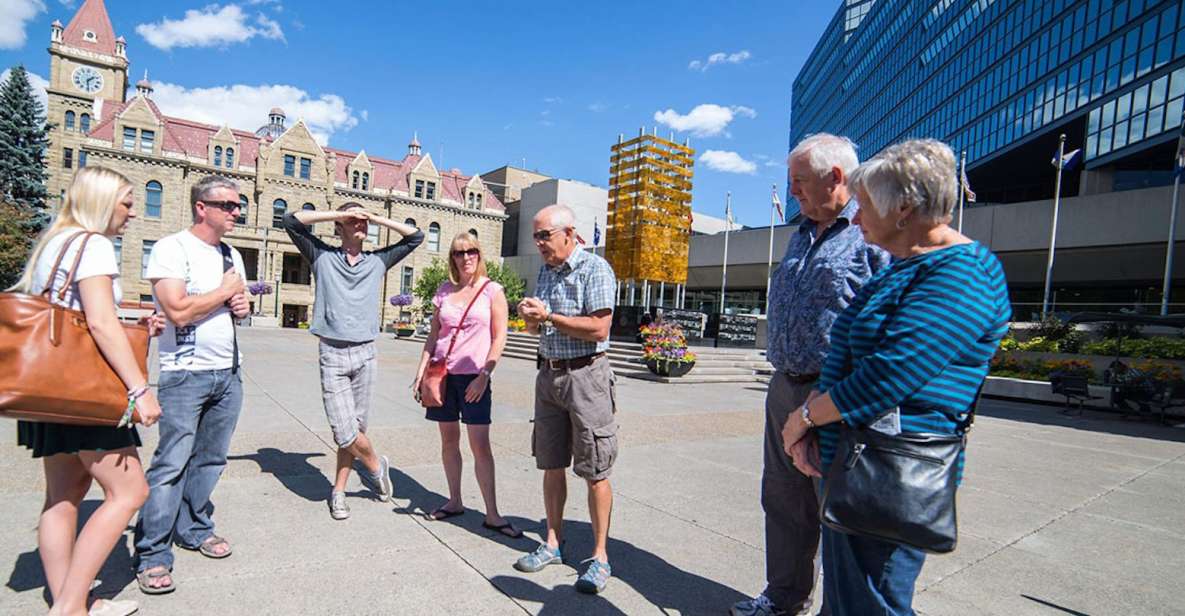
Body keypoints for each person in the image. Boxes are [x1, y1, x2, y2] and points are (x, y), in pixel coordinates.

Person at [780, 139, 1011, 615]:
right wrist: (818, 428)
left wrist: (804, 417)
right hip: (855, 459)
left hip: (892, 468)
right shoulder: (903, 268)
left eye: (866, 205)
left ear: (903, 208)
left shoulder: (965, 272)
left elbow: (889, 374)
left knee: (872, 598)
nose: (857, 217)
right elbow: (845, 355)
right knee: (846, 598)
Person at [733, 133, 889, 616]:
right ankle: (784, 597)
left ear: (835, 178)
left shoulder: (870, 233)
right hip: (784, 386)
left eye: (799, 181)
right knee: (782, 499)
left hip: (836, 394)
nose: (793, 191)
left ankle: (842, 608)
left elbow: (885, 325)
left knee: (839, 511)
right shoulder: (801, 234)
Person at [10, 166, 163, 616]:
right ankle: (70, 608)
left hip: (48, 390)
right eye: (127, 202)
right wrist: (140, 389)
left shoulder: (53, 243)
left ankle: (68, 600)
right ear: (101, 201)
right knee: (130, 493)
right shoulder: (93, 244)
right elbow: (97, 322)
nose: (132, 212)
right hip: (86, 397)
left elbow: (72, 317)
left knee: (61, 498)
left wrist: (132, 324)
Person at [134, 176, 251, 595]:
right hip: (185, 373)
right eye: (229, 205)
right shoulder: (172, 248)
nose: (237, 212)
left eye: (239, 206)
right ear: (202, 207)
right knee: (172, 462)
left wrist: (240, 304)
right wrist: (224, 293)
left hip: (228, 371)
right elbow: (178, 311)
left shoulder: (230, 253)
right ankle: (152, 553)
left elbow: (236, 304)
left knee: (211, 460)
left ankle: (195, 527)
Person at [284, 203, 422, 520]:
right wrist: (337, 214)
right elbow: (290, 221)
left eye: (363, 221)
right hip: (332, 353)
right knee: (344, 432)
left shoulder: (378, 261)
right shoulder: (322, 256)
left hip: (365, 353)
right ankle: (376, 466)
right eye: (354, 220)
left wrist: (372, 216)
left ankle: (338, 491)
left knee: (356, 428)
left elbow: (416, 237)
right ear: (340, 226)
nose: (360, 224)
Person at [513, 204, 618, 594]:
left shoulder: (595, 270)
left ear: (569, 234)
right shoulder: (545, 271)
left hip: (587, 376)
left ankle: (600, 556)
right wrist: (529, 315)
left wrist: (551, 316)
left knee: (595, 469)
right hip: (549, 373)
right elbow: (533, 328)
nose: (539, 243)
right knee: (550, 463)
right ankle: (553, 543)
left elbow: (600, 327)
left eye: (545, 235)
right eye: (536, 236)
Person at [413, 232, 519, 537]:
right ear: (453, 258)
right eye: (459, 253)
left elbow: (500, 337)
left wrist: (485, 375)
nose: (466, 257)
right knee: (448, 441)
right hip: (443, 376)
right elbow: (434, 335)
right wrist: (421, 371)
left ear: (479, 255)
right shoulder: (444, 291)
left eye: (471, 251)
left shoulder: (492, 291)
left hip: (475, 377)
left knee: (480, 445)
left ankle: (493, 514)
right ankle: (455, 500)